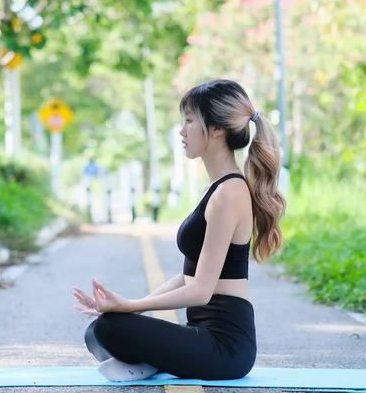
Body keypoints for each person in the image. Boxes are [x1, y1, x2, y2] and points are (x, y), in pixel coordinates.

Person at [73, 79, 286, 382]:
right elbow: (190, 276)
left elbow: (200, 291)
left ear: (216, 129)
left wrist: (131, 306)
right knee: (97, 331)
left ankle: (148, 360)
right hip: (201, 334)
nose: (182, 131)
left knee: (111, 328)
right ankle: (150, 360)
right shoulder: (213, 188)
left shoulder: (230, 193)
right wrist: (131, 310)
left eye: (189, 121)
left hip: (226, 347)